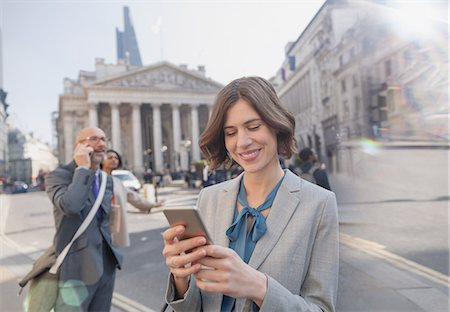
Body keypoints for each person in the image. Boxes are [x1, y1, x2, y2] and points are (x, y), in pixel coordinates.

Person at [162, 77, 339, 311]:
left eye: (253, 127)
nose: (242, 142)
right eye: (230, 132)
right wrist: (181, 278)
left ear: (276, 125)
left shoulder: (320, 203)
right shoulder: (209, 198)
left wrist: (259, 288)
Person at [45, 127, 121, 311]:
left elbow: (103, 220)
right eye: (94, 139)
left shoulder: (105, 179)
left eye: (104, 139)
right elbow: (70, 206)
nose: (102, 144)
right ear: (79, 146)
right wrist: (83, 169)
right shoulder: (58, 176)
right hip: (76, 271)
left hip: (106, 266)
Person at [101, 149, 164, 215]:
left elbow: (134, 197)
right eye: (110, 158)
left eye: (116, 158)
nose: (114, 160)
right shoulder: (97, 178)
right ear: (102, 160)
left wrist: (153, 204)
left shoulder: (117, 182)